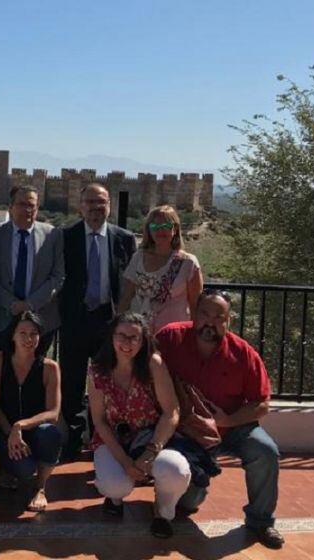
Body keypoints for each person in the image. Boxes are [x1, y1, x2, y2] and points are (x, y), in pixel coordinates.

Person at [156, 290, 284, 549]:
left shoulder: (243, 353)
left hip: (233, 427)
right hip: (187, 433)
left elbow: (262, 404)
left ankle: (261, 522)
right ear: (193, 313)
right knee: (189, 504)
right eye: (205, 313)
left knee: (265, 450)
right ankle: (183, 493)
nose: (210, 322)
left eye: (219, 317)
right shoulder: (170, 338)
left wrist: (227, 421)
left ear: (228, 321)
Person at [89, 313, 187, 538]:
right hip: (114, 440)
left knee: (176, 471)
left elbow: (171, 411)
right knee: (115, 484)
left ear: (143, 341)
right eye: (121, 335)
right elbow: (99, 421)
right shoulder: (98, 369)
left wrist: (151, 452)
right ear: (111, 337)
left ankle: (163, 512)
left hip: (152, 437)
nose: (127, 343)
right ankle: (114, 498)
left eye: (134, 338)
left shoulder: (153, 364)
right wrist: (125, 462)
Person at [58, 183, 137, 459]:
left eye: (101, 202)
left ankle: (103, 440)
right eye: (90, 202)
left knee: (108, 383)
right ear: (80, 206)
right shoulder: (65, 236)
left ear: (110, 206)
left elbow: (130, 282)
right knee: (71, 382)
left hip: (109, 321)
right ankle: (72, 441)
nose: (95, 208)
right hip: (75, 320)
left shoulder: (124, 239)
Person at [0, 311, 63, 512]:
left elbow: (53, 413)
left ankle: (40, 487)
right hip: (4, 431)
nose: (28, 339)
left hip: (33, 430)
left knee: (52, 433)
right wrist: (10, 431)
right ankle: (8, 468)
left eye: (33, 333)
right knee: (25, 469)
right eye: (23, 333)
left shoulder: (49, 367)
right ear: (12, 335)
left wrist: (20, 425)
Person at [0, 186, 64, 356]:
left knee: (37, 376)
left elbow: (58, 276)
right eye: (21, 204)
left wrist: (30, 304)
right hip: (4, 317)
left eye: (32, 205)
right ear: (10, 207)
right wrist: (11, 304)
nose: (27, 209)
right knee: (1, 374)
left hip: (42, 319)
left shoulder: (52, 235)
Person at [121, 205, 203, 333]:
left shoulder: (188, 263)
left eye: (166, 226)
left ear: (175, 229)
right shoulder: (138, 257)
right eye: (155, 227)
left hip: (172, 336)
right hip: (138, 334)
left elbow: (195, 306)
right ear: (149, 230)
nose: (160, 231)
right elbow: (127, 296)